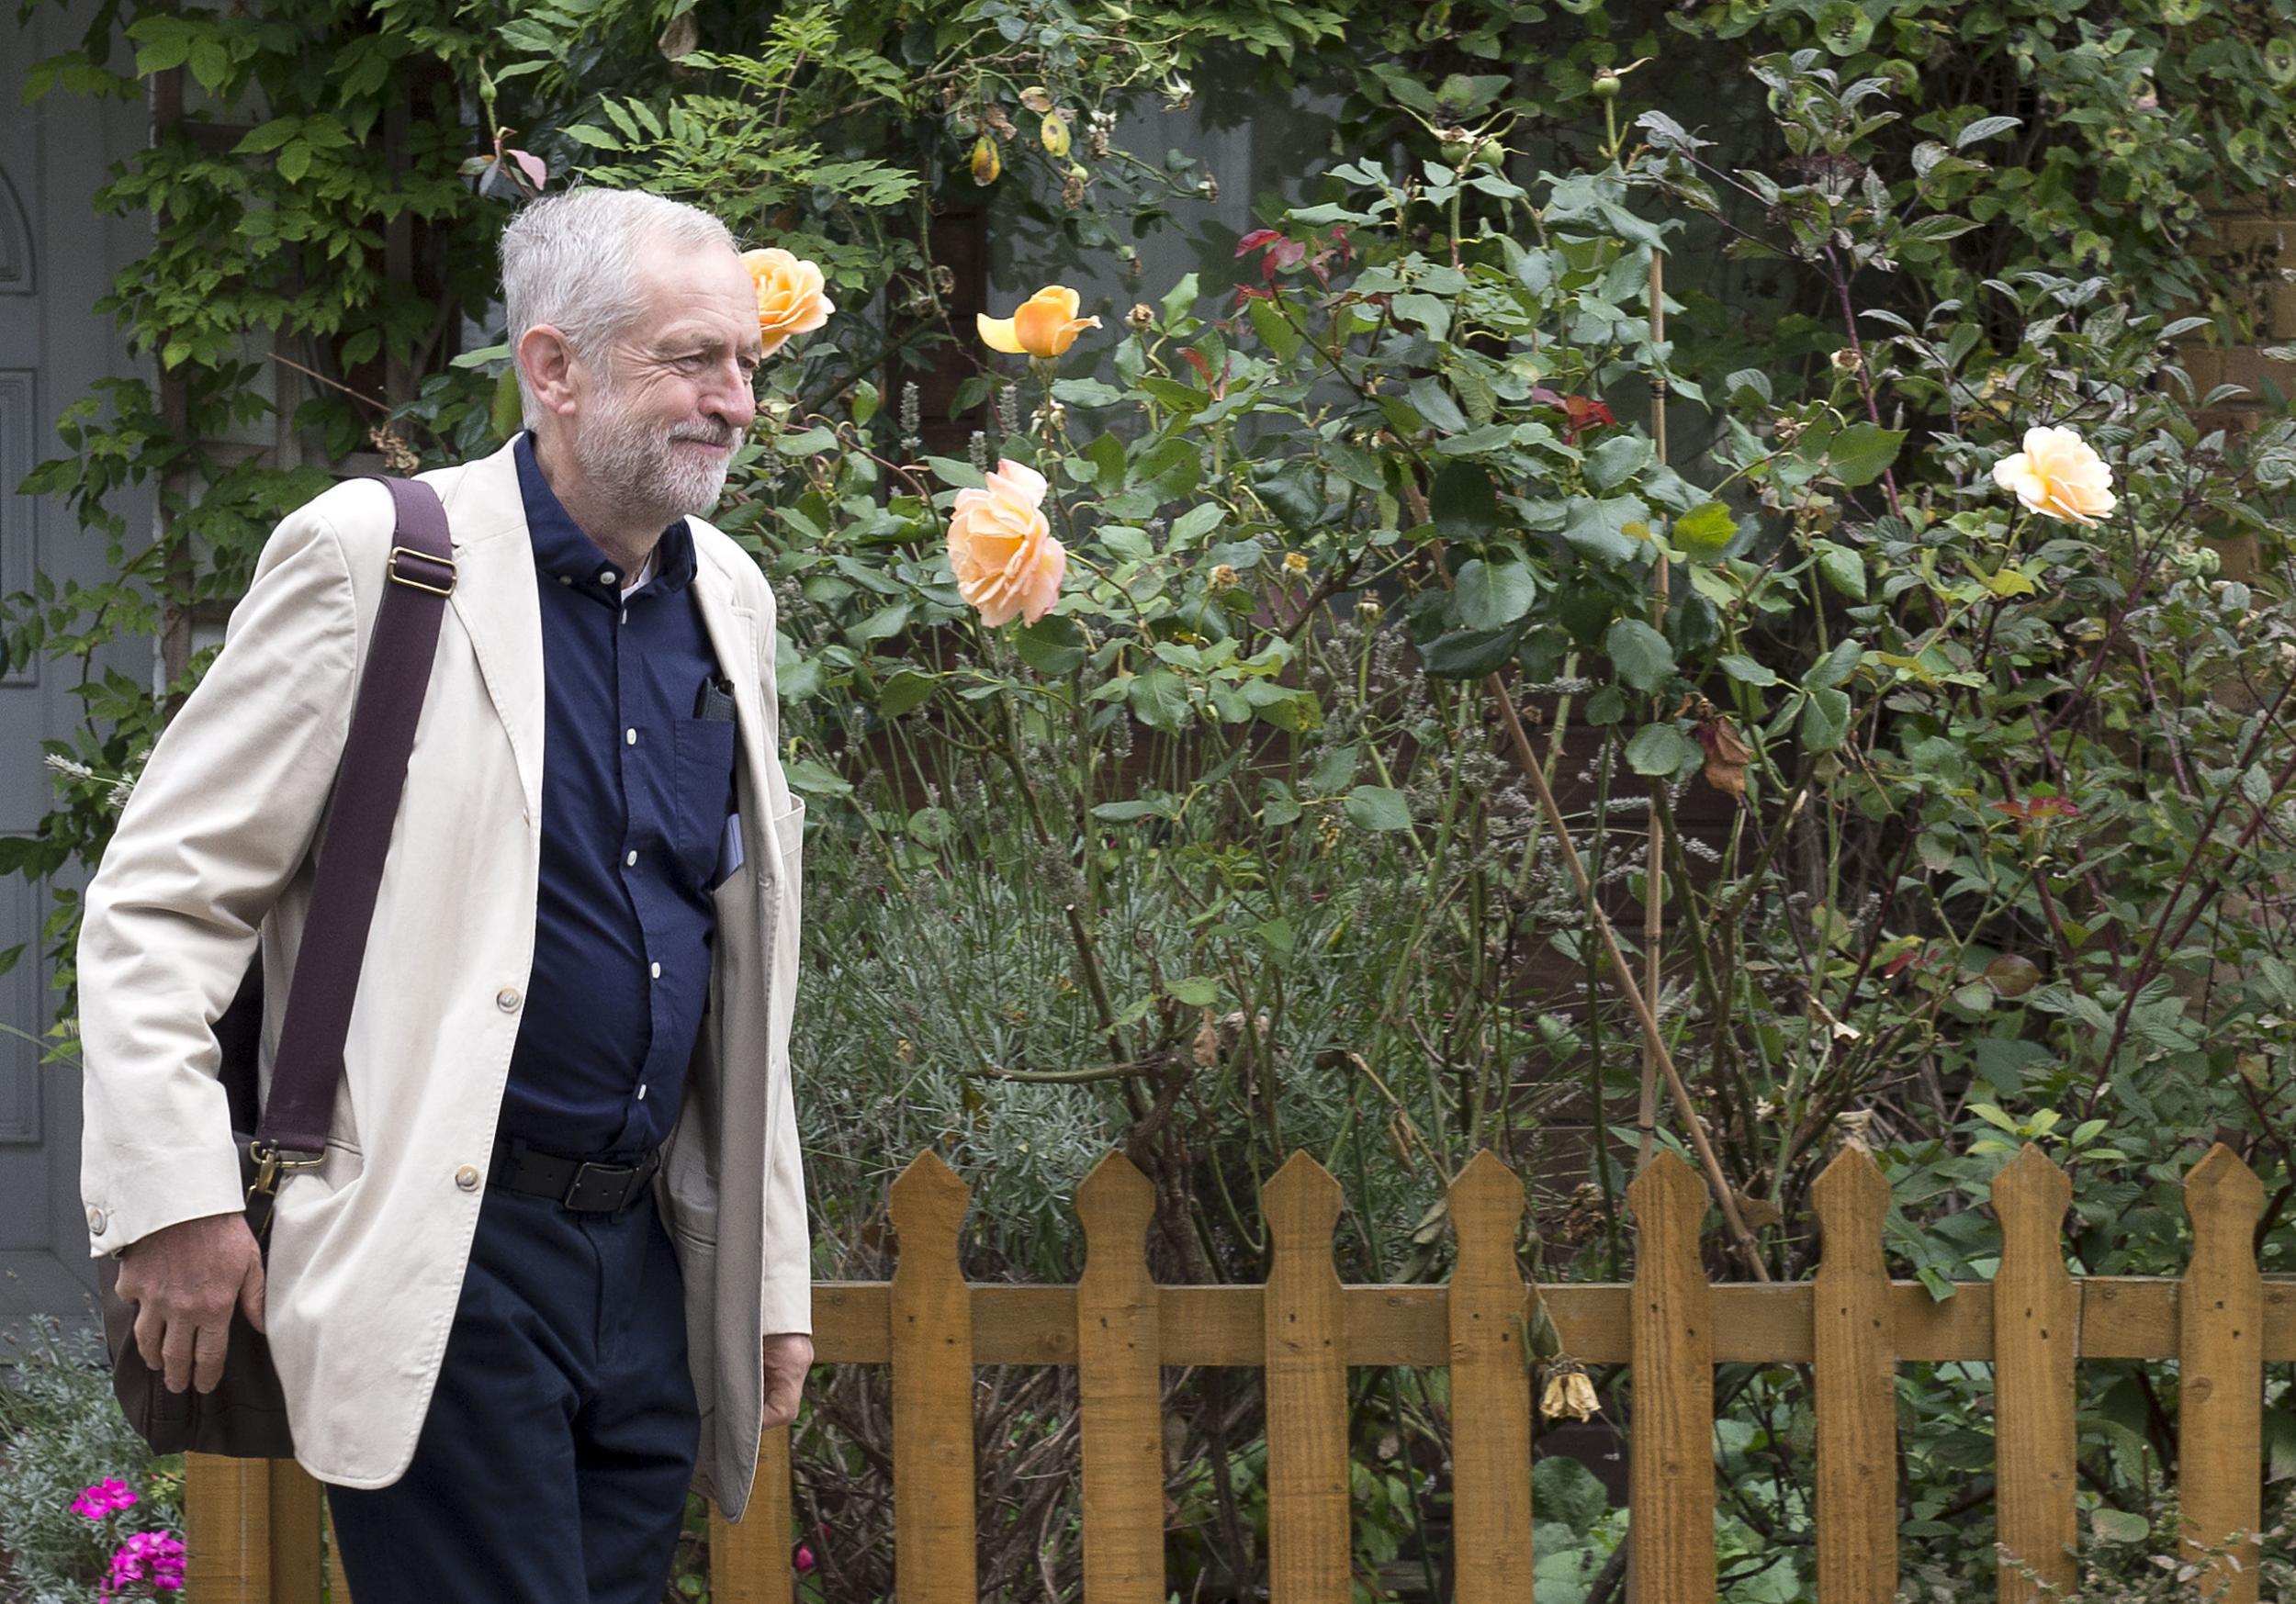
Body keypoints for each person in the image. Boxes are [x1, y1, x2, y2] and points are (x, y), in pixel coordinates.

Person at [75, 186, 813, 1603]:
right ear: (554, 368)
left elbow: (745, 972)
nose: (736, 402)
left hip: (647, 1265)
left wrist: (767, 1277)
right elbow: (163, 901)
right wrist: (173, 1202)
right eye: (694, 361)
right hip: (450, 1251)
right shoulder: (383, 559)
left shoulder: (732, 595)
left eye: (746, 365)